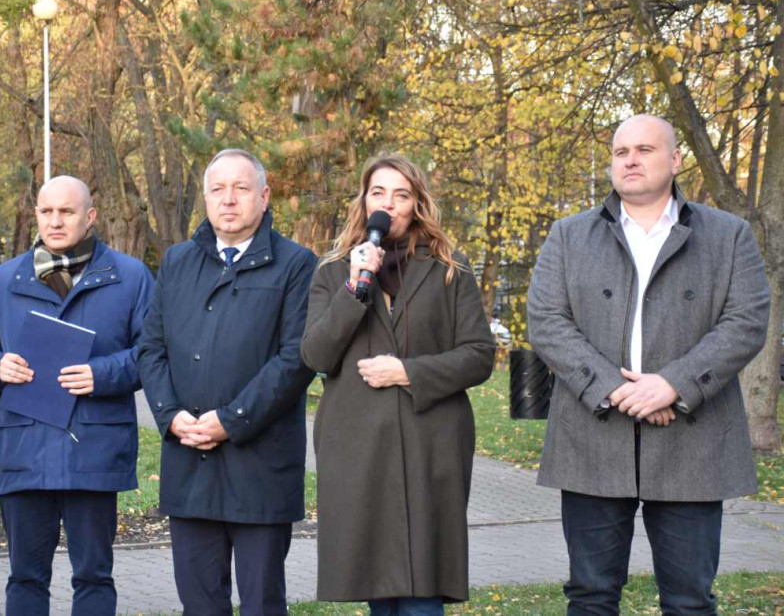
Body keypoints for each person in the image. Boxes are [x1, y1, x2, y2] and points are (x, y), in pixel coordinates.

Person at [527, 114, 770, 615]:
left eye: (644, 149)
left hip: (692, 442)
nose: (631, 160)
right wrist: (620, 390)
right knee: (591, 596)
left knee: (689, 601)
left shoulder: (729, 236)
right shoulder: (568, 236)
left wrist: (673, 385)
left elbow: (746, 321)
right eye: (621, 152)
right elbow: (547, 322)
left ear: (676, 160)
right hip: (593, 441)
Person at [301, 153, 495, 615]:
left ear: (417, 203)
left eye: (401, 194)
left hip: (431, 443)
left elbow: (479, 355)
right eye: (378, 193)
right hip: (358, 446)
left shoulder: (450, 267)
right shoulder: (333, 271)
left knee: (423, 587)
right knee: (377, 583)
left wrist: (409, 372)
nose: (388, 204)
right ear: (365, 202)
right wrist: (354, 288)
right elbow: (315, 356)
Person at [0, 176, 153, 616]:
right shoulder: (6, 279)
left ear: (90, 216)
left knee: (94, 577)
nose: (55, 220)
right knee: (25, 577)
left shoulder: (130, 276)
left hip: (94, 448)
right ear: (37, 215)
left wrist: (102, 374)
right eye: (47, 211)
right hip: (24, 447)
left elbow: (154, 352)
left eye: (66, 212)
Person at [138, 148, 317, 616]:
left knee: (262, 603)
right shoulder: (177, 262)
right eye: (218, 189)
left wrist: (229, 421)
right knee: (199, 604)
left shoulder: (297, 264)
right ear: (205, 198)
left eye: (241, 188)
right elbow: (151, 349)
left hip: (259, 468)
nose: (229, 199)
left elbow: (296, 359)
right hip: (189, 463)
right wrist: (171, 415)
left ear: (264, 195)